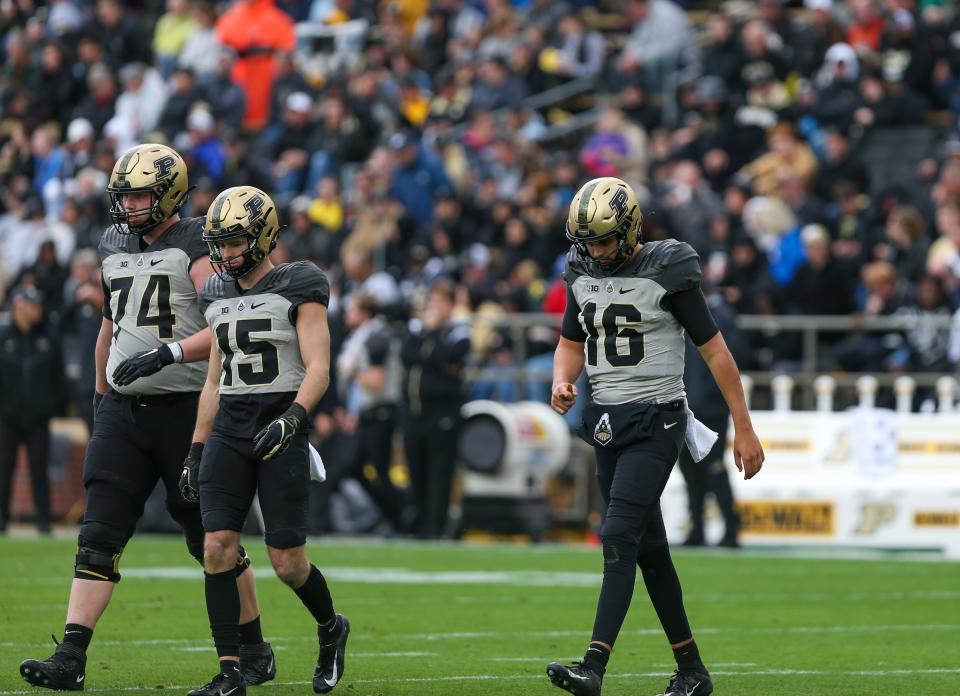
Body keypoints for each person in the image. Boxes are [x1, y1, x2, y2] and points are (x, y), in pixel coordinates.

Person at [19, 144, 275, 691]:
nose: (129, 204)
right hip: (122, 411)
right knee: (98, 534)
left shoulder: (197, 246)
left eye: (140, 193)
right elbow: (110, 326)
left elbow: (229, 325)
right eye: (126, 193)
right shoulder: (112, 242)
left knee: (211, 538)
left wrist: (171, 353)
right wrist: (98, 392)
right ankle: (71, 655)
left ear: (170, 194)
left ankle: (253, 649)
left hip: (187, 412)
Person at [545, 177, 764, 696]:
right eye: (587, 242)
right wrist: (562, 379)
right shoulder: (582, 270)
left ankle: (593, 667)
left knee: (618, 536)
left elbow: (715, 352)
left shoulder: (668, 269)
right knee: (650, 551)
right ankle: (692, 671)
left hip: (656, 419)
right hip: (606, 424)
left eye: (602, 240)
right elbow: (570, 343)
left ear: (629, 230)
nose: (595, 251)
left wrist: (745, 427)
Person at [181, 185, 349, 696]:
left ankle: (330, 627)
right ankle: (231, 670)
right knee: (216, 547)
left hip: (280, 421)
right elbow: (214, 380)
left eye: (235, 242)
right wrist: (196, 448)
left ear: (264, 235)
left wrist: (295, 418)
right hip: (231, 424)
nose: (227, 253)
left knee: (287, 562)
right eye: (220, 243)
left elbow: (319, 365)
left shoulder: (300, 281)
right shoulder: (214, 292)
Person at [399, 281, 471, 539]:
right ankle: (419, 525)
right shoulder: (418, 328)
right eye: (433, 303)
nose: (435, 309)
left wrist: (429, 343)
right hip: (414, 411)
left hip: (442, 413)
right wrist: (431, 352)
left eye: (441, 303)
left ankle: (435, 529)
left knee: (440, 473)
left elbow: (452, 356)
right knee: (416, 470)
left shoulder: (457, 330)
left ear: (450, 306)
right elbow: (407, 354)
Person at [0, 286, 66, 534]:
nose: (38, 309)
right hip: (8, 416)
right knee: (4, 470)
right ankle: (2, 522)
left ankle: (43, 522)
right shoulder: (3, 337)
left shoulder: (48, 337)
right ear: (19, 307)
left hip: (38, 416)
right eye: (32, 304)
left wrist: (54, 406)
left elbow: (58, 377)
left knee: (40, 471)